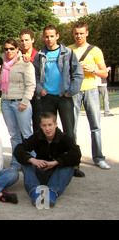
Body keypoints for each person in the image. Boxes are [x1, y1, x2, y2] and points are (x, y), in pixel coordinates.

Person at [33, 25, 84, 176]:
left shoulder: (68, 53)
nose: (49, 39)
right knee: (46, 131)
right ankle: (48, 161)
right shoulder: (40, 55)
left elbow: (78, 74)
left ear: (57, 36)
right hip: (47, 97)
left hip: (64, 97)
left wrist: (71, 91)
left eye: (52, 36)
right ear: (43, 37)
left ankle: (73, 164)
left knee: (69, 131)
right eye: (46, 36)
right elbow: (34, 75)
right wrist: (39, 88)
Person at [13, 112, 82, 207]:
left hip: (57, 173)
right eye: (44, 125)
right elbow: (19, 149)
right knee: (26, 161)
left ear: (55, 125)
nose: (47, 128)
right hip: (41, 171)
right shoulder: (38, 136)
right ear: (41, 126)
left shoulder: (63, 138)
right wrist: (32, 160)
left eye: (50, 125)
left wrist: (56, 162)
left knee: (69, 165)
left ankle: (51, 193)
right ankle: (35, 192)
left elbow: (77, 154)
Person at [69, 22, 110, 170]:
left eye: (81, 33)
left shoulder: (95, 51)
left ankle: (98, 157)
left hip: (91, 89)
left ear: (87, 33)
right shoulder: (68, 50)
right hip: (74, 90)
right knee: (72, 127)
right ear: (73, 34)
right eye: (76, 33)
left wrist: (92, 69)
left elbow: (104, 73)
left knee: (95, 125)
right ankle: (73, 160)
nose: (79, 36)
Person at [0, 39, 36, 170]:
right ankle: (16, 162)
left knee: (26, 134)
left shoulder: (25, 63)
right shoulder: (3, 63)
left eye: (11, 48)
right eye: (6, 49)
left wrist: (25, 101)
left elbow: (31, 85)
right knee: (14, 135)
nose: (8, 51)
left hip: (20, 103)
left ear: (17, 49)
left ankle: (32, 162)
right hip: (6, 102)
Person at [20, 29, 41, 133]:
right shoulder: (17, 55)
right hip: (21, 94)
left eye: (27, 40)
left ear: (32, 40)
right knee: (23, 127)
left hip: (36, 95)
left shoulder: (39, 56)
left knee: (37, 124)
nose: (24, 43)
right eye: (22, 40)